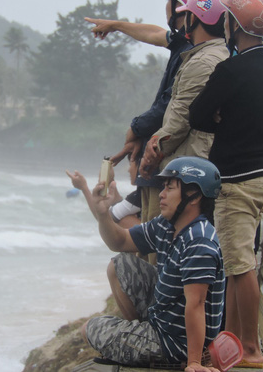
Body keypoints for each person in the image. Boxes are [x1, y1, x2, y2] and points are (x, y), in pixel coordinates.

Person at [189, 0, 263, 368]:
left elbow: (197, 114)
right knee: (235, 262)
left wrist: (218, 116)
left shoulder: (231, 69)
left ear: (233, 24)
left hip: (236, 181)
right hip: (262, 178)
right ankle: (227, 346)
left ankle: (250, 349)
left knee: (241, 266)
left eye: (227, 18)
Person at [85, 0, 218, 229]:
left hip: (165, 162)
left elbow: (169, 107)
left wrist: (134, 129)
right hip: (164, 159)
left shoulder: (193, 54)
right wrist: (115, 25)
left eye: (169, 1)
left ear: (181, 8)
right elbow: (154, 33)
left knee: (156, 244)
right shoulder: (187, 42)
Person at [80, 156, 225, 371]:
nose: (161, 194)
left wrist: (194, 362)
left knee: (88, 329)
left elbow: (197, 304)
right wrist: (103, 215)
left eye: (170, 188)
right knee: (121, 264)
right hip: (164, 322)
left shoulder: (199, 241)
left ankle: (169, 357)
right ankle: (143, 334)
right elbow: (119, 241)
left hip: (177, 344)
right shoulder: (167, 225)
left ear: (193, 196)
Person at [139, 0, 229, 181]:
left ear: (195, 19)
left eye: (188, 14)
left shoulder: (202, 62)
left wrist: (154, 149)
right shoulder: (219, 54)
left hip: (190, 166)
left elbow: (181, 117)